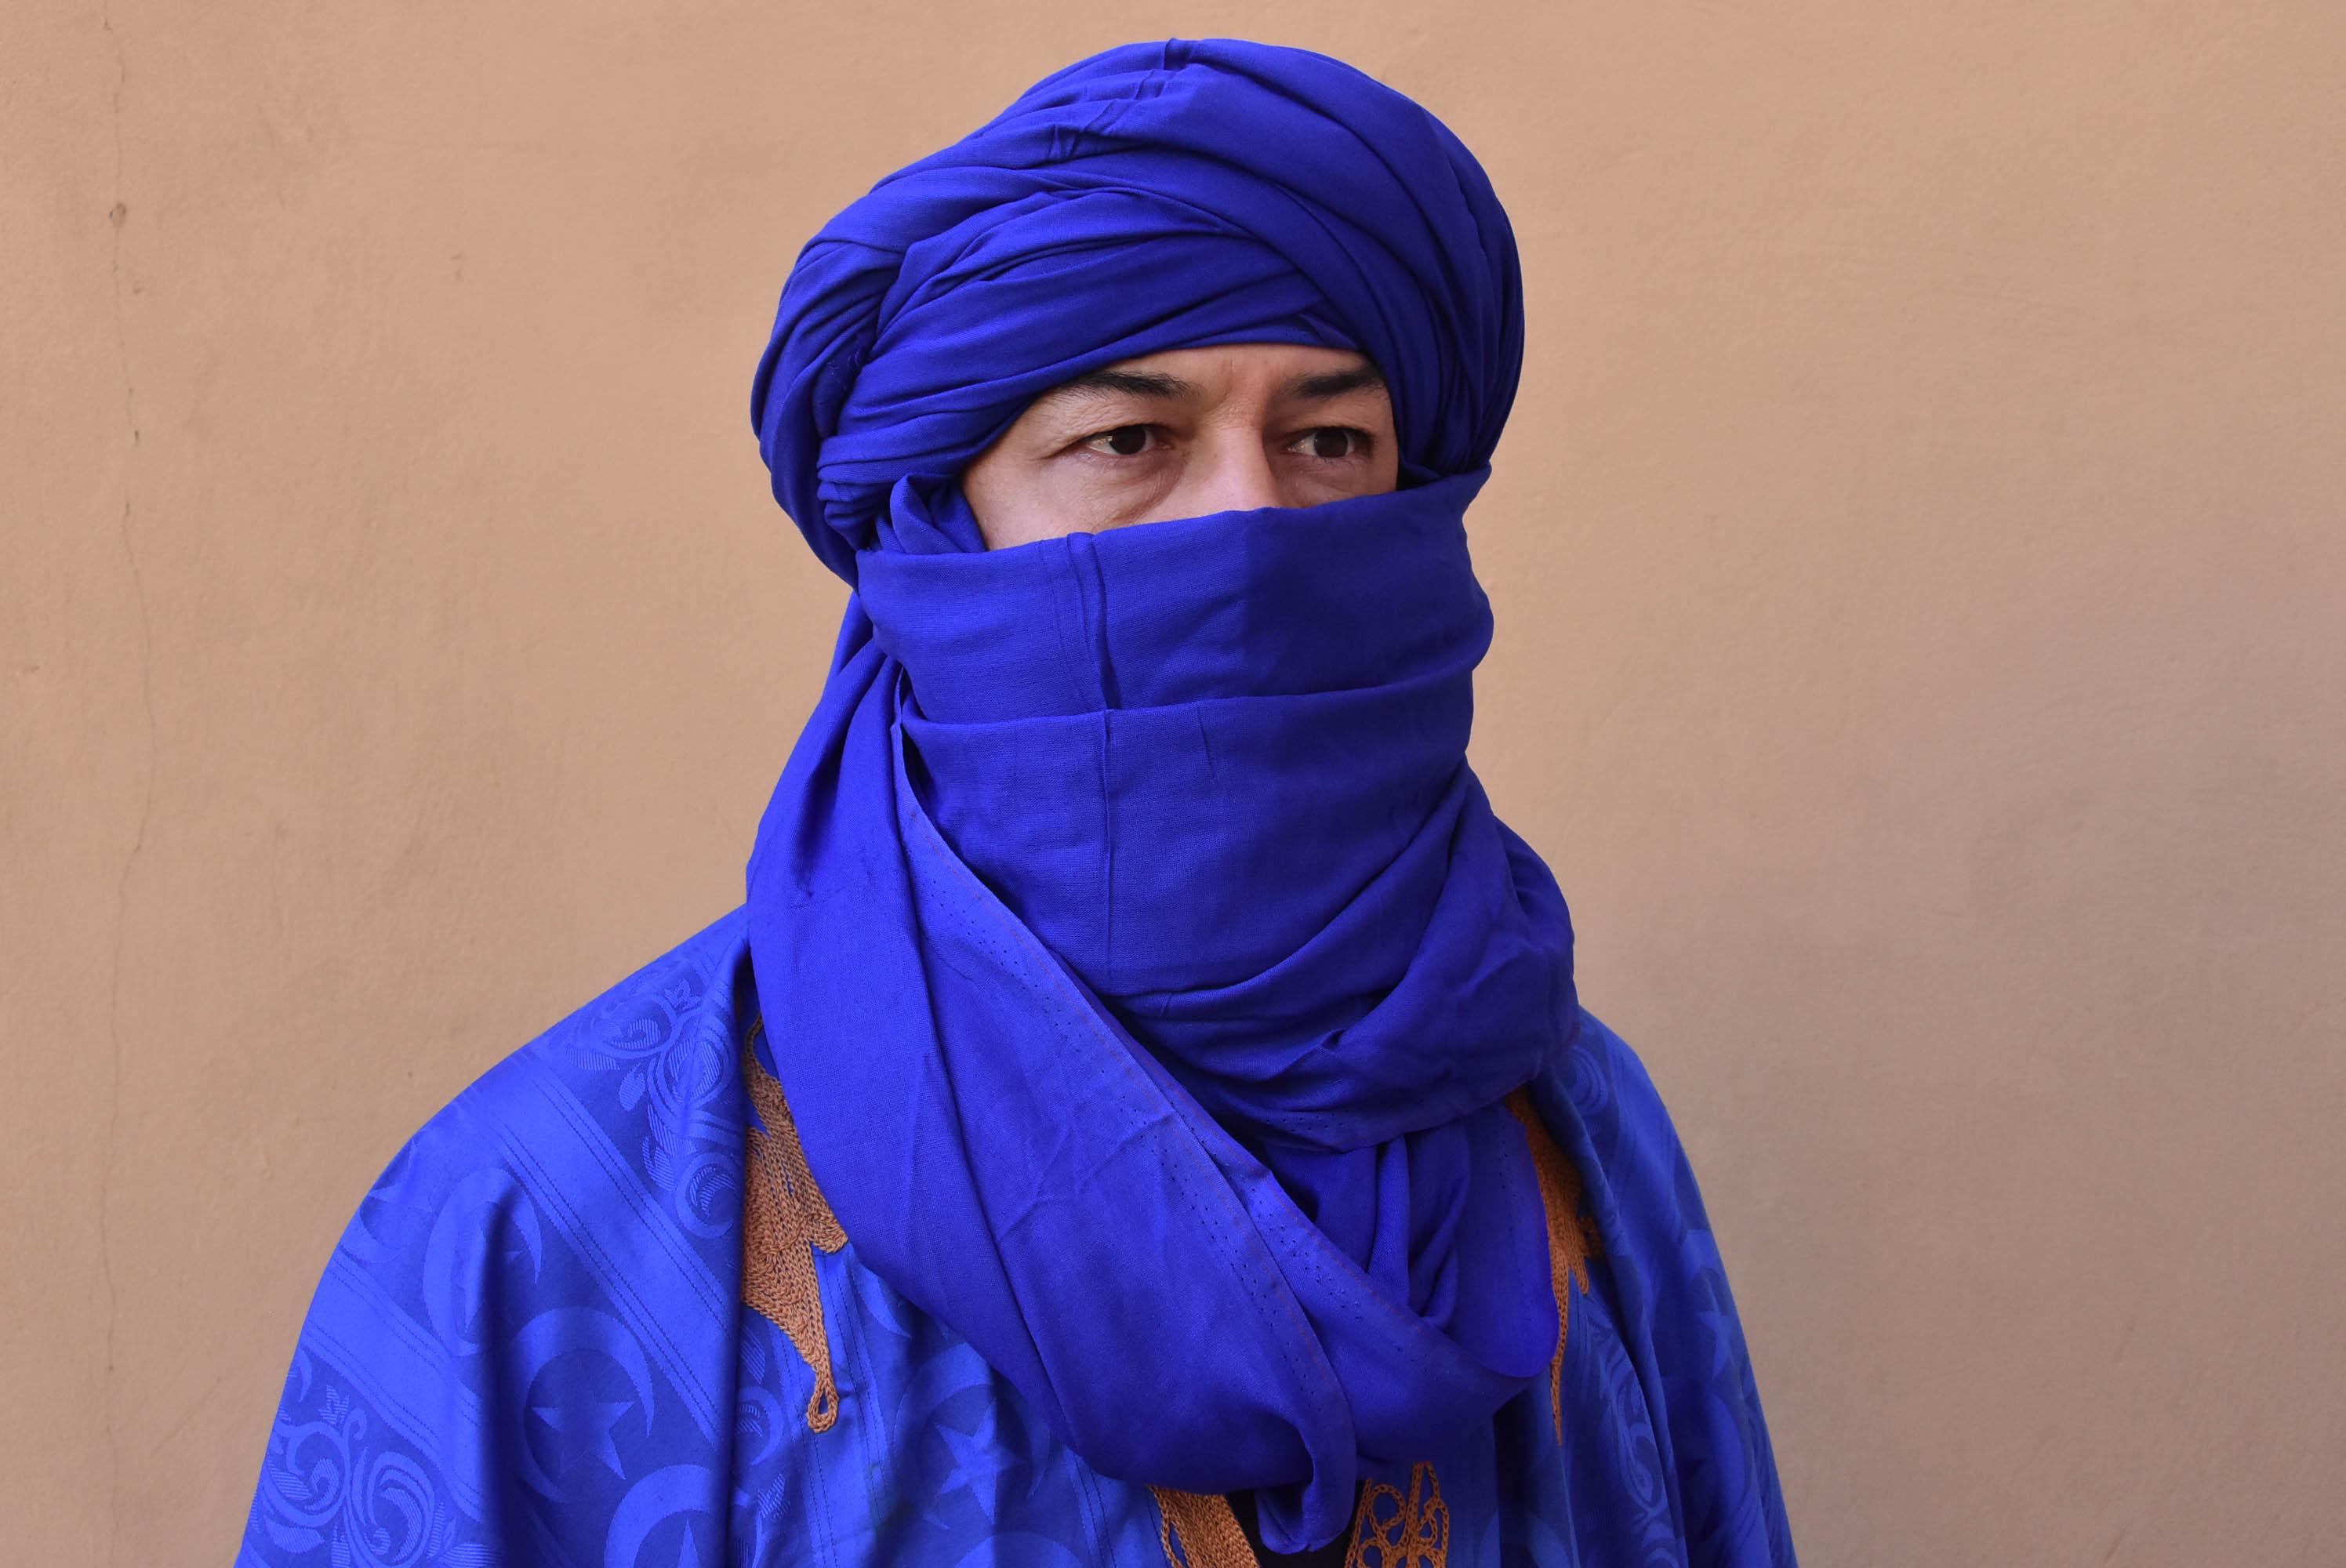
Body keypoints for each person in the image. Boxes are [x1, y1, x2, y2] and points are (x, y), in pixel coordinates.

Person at [238, 38, 1796, 1568]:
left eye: (1329, 439)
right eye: (1128, 441)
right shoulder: (547, 1234)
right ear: (937, 530)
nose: (1248, 526)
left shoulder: (1574, 1134)